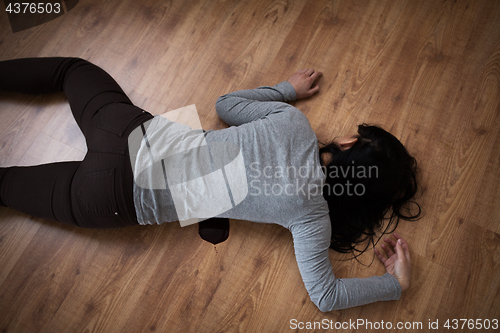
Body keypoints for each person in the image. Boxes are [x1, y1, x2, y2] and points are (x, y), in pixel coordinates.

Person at [0, 58, 420, 311]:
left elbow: (225, 106)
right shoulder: (311, 217)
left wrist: (286, 90)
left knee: (70, 70)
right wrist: (394, 285)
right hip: (110, 201)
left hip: (126, 133)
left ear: (348, 143)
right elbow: (326, 297)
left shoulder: (292, 122)